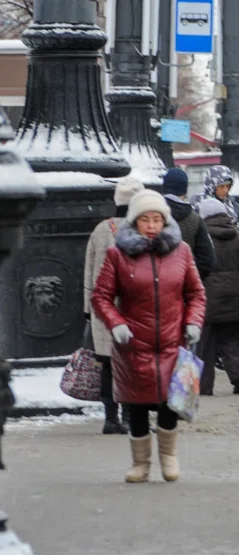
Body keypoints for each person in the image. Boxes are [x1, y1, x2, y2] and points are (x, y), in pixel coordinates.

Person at [91, 189, 206, 484]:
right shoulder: (118, 255)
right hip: (134, 344)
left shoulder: (182, 252)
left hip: (173, 341)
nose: (152, 225)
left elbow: (196, 293)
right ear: (135, 221)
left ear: (165, 221)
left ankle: (168, 457)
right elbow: (101, 296)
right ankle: (140, 463)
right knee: (137, 405)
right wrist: (116, 323)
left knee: (170, 402)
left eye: (157, 219)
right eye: (145, 219)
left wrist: (193, 322)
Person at [83, 174, 143, 435]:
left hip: (103, 308)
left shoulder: (100, 230)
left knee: (107, 364)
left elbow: (88, 273)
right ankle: (129, 416)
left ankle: (110, 418)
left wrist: (88, 310)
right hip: (135, 308)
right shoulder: (141, 229)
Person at [197, 197, 239, 395]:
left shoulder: (202, 237)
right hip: (237, 297)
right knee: (232, 339)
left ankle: (205, 386)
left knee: (206, 344)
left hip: (209, 298)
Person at [158, 167, 216, 279]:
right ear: (185, 191)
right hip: (185, 283)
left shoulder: (151, 214)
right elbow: (208, 260)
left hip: (156, 283)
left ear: (163, 188)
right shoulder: (195, 219)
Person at [196, 164, 239, 236]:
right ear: (212, 185)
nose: (225, 190)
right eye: (221, 186)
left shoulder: (234, 206)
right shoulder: (199, 203)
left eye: (228, 186)